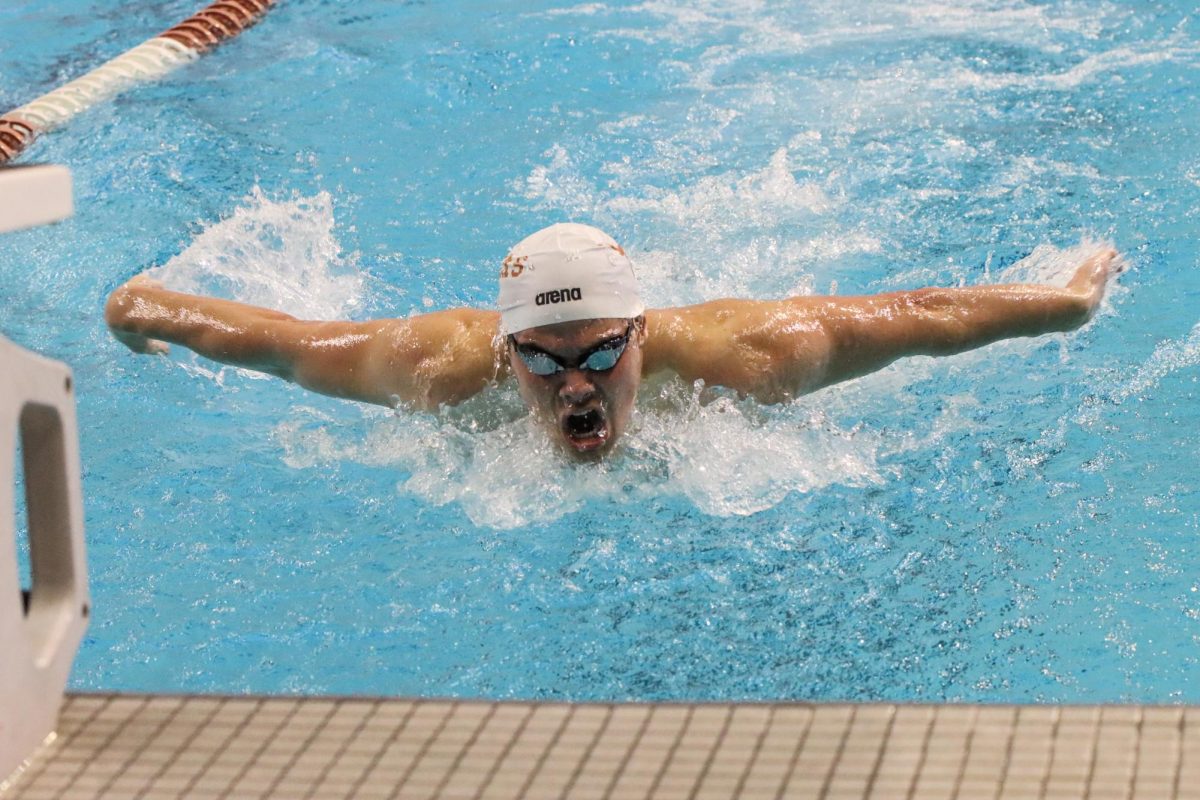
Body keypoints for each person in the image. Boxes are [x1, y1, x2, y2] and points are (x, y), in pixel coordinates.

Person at [105, 223, 1119, 459]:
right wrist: (148, 307)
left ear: (641, 333)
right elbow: (288, 343)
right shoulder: (438, 365)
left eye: (598, 353)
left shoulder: (745, 353)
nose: (572, 384)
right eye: (541, 358)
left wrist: (1064, 302)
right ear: (505, 352)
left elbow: (924, 316)